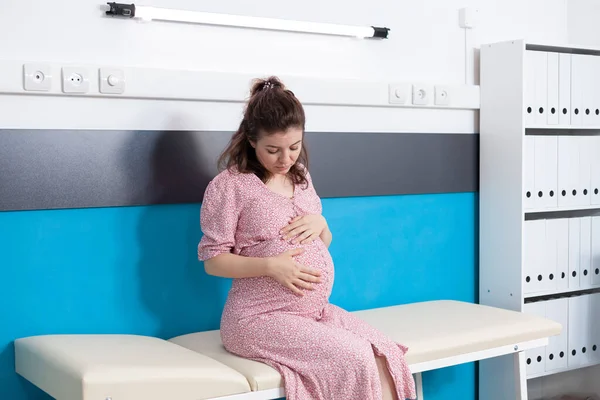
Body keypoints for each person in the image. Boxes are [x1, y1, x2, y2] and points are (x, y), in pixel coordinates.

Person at [197, 76, 416, 400]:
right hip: (257, 318)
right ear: (251, 140)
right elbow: (213, 262)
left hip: (311, 312)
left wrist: (321, 223)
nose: (285, 158)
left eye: (294, 147)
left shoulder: (301, 178)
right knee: (353, 357)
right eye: (273, 150)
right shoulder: (229, 186)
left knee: (382, 351)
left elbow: (317, 244)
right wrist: (270, 266)